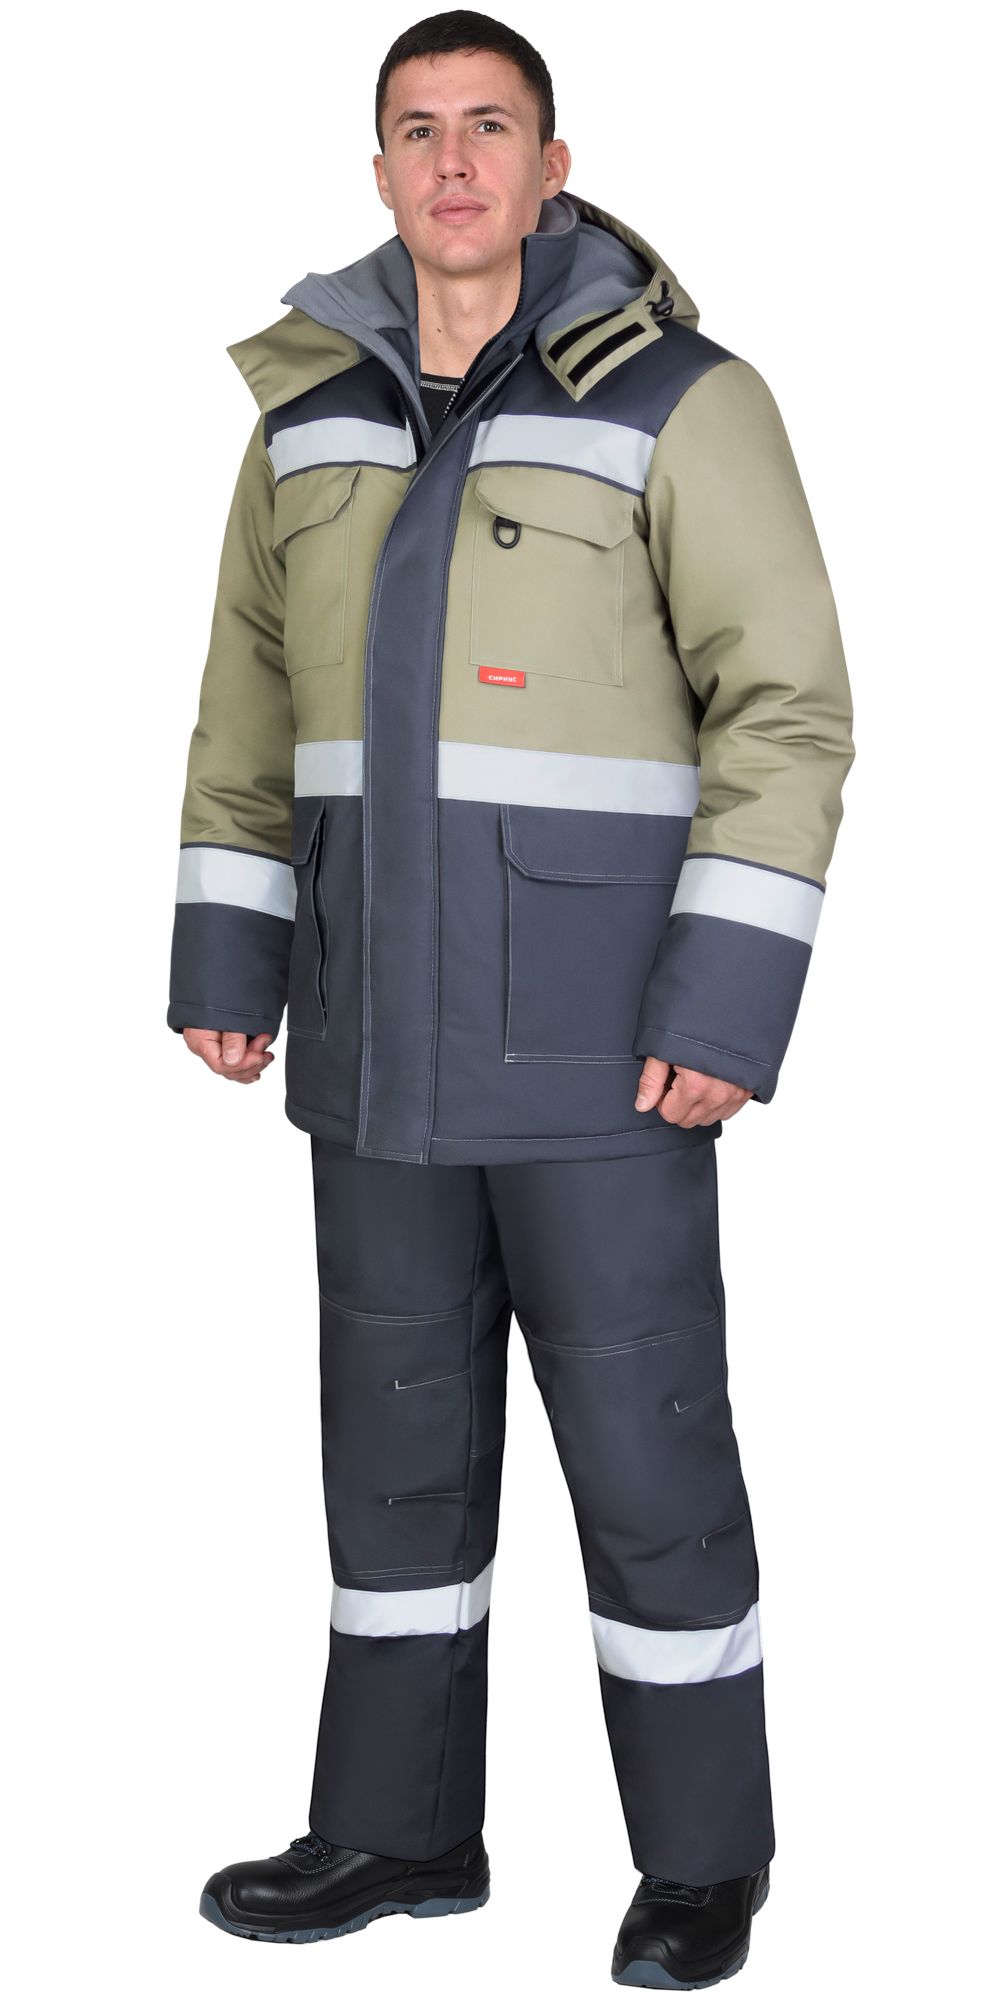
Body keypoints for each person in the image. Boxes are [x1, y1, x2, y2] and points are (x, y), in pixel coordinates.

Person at [167, 10, 855, 1987]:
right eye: (417, 129)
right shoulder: (304, 418)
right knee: (387, 1451)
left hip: (600, 1051)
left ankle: (703, 1860)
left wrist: (724, 1003)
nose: (452, 162)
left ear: (553, 167)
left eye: (489, 127)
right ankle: (397, 1829)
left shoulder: (683, 401)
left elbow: (787, 708)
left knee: (646, 1455)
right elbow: (242, 716)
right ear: (378, 169)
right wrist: (231, 957)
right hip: (371, 1042)